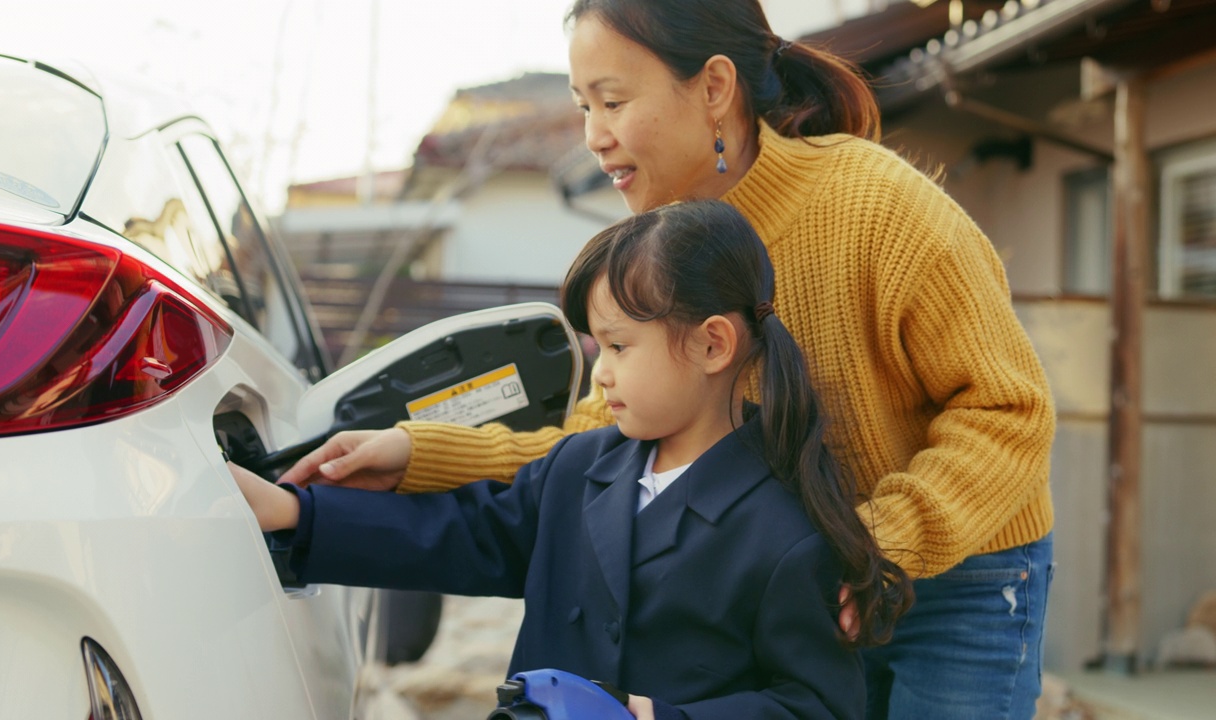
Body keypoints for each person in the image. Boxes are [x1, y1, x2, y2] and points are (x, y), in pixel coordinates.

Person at [280, 1, 1058, 717]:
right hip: (806, 573)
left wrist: (878, 546)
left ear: (714, 87)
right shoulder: (666, 253)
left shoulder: (880, 207)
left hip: (958, 576)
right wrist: (418, 453)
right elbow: (592, 449)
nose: (592, 135)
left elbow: (1008, 408)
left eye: (613, 102)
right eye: (584, 107)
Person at [232, 200, 913, 720]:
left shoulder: (787, 529)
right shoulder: (582, 465)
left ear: (712, 345)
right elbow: (460, 533)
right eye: (596, 347)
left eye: (619, 346)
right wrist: (294, 512)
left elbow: (815, 708)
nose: (601, 371)